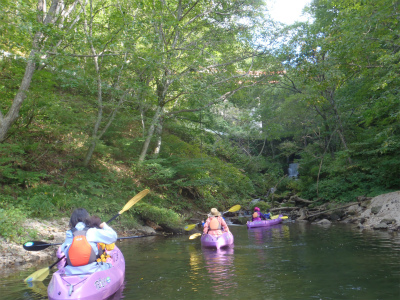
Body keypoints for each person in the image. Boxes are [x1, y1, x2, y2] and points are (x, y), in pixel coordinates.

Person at [60, 208, 117, 275]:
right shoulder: (92, 231)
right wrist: (105, 226)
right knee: (109, 265)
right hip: (93, 270)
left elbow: (63, 250)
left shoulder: (69, 234)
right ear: (87, 219)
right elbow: (113, 237)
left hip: (71, 271)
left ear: (72, 221)